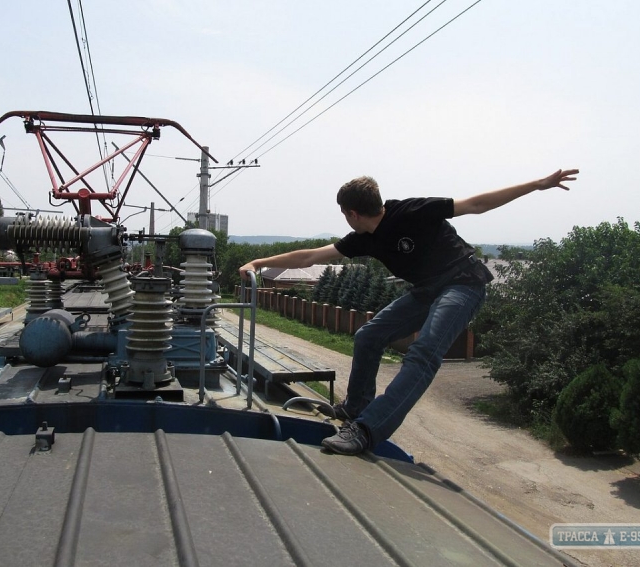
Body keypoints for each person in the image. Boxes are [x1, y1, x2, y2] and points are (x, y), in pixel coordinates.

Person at [239, 169, 579, 455]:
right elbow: (309, 257)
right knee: (368, 335)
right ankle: (355, 407)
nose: (344, 220)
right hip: (427, 291)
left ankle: (367, 431)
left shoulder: (412, 211)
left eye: (344, 214)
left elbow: (476, 204)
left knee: (424, 353)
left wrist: (536, 185)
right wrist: (259, 262)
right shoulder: (363, 238)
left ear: (352, 213)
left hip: (464, 283)